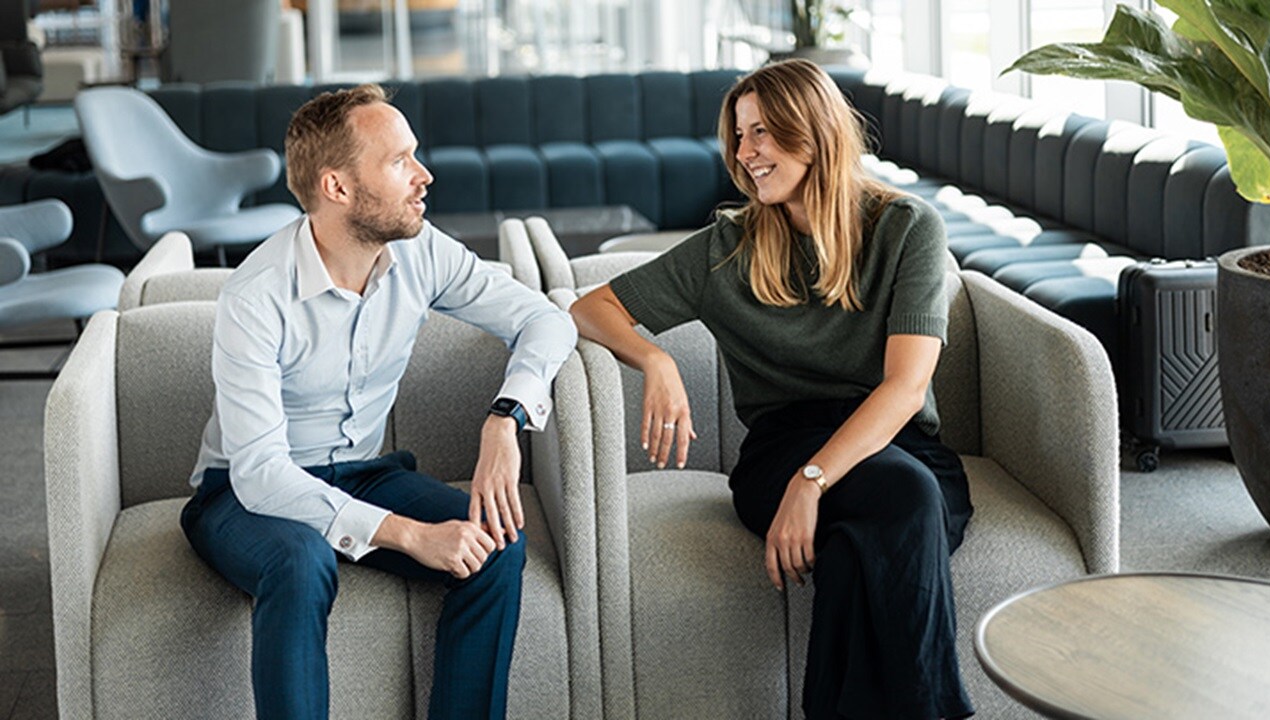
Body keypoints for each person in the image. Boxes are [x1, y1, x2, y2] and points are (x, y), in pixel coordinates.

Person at [570, 59, 975, 720]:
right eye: (739, 135)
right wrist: (656, 361)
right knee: (908, 498)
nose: (744, 152)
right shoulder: (726, 247)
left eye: (761, 133)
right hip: (781, 446)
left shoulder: (906, 229)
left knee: (857, 549)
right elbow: (590, 309)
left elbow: (905, 389)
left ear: (812, 134)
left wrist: (811, 484)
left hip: (889, 437)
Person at [180, 84, 577, 720]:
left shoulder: (422, 251)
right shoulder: (255, 297)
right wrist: (410, 535)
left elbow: (546, 321)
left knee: (496, 545)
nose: (424, 176)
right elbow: (261, 476)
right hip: (240, 494)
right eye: (399, 162)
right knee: (300, 557)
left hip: (363, 473)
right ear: (337, 187)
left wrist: (506, 419)